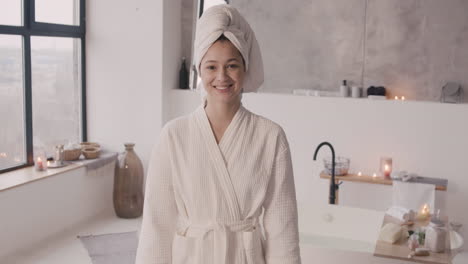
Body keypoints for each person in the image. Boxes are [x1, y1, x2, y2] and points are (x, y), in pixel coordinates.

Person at [135, 4, 301, 264]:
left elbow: (283, 228)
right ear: (200, 71)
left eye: (232, 65)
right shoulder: (173, 136)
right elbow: (157, 224)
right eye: (211, 67)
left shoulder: (271, 137)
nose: (222, 76)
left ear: (245, 69)